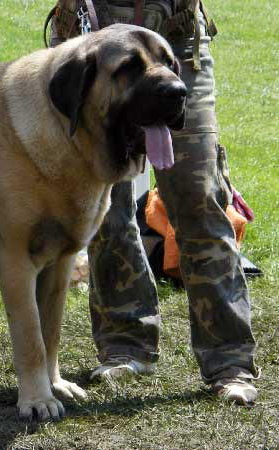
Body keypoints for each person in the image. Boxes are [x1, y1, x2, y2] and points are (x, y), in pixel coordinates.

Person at [47, 0, 259, 405]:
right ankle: (126, 344)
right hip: (91, 49)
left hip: (173, 46)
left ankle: (230, 362)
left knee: (199, 198)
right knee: (106, 212)